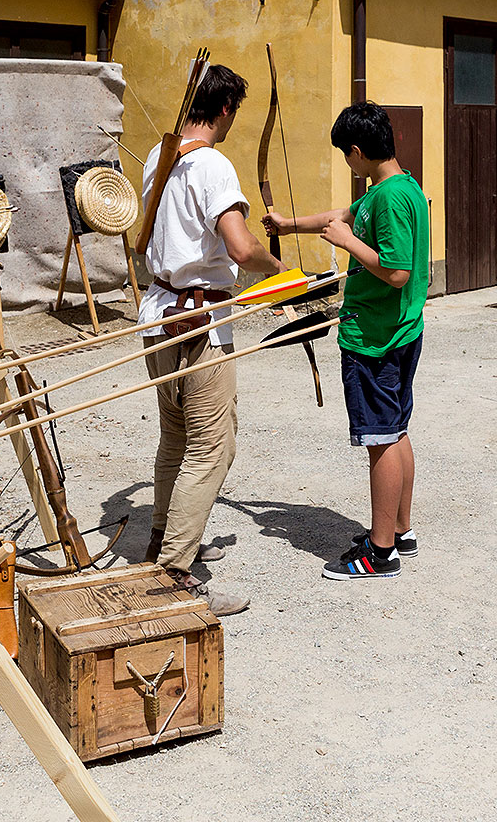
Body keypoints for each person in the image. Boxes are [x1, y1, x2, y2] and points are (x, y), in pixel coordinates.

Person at [138, 63, 283, 616]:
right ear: (225, 109)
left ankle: (160, 541)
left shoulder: (160, 154)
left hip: (158, 312)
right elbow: (242, 248)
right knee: (210, 444)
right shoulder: (211, 163)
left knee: (176, 436)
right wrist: (278, 269)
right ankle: (174, 574)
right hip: (198, 318)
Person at [264, 101, 427, 580]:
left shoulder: (389, 198)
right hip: (398, 332)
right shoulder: (400, 187)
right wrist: (290, 225)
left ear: (357, 151)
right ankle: (399, 530)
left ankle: (380, 554)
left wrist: (347, 244)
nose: (348, 165)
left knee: (380, 439)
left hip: (376, 339)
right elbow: (342, 215)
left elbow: (396, 271)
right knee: (394, 431)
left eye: (346, 156)